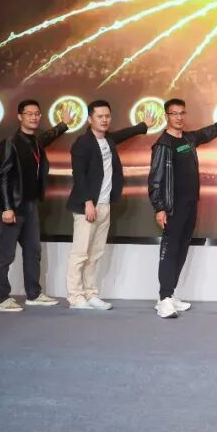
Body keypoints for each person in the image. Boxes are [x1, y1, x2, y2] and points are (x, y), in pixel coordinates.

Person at [148, 98, 217, 319]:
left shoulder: (188, 139)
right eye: (174, 113)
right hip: (173, 208)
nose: (179, 117)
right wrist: (159, 207)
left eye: (182, 113)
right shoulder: (163, 145)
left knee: (181, 250)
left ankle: (170, 294)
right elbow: (155, 179)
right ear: (166, 116)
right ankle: (163, 299)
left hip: (190, 205)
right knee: (170, 251)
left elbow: (206, 133)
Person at [65, 100, 154, 310]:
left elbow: (124, 134)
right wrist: (88, 202)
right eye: (100, 116)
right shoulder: (82, 143)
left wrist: (143, 126)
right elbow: (79, 175)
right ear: (90, 119)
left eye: (107, 116)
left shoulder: (108, 140)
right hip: (87, 206)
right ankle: (75, 297)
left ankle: (90, 293)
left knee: (95, 254)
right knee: (80, 254)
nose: (104, 120)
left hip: (104, 205)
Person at [0, 100, 69, 313]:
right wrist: (7, 207)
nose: (34, 117)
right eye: (29, 114)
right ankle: (1, 298)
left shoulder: (35, 141)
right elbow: (4, 177)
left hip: (31, 204)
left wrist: (63, 125)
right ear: (20, 116)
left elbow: (48, 136)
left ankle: (33, 294)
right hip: (14, 206)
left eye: (37, 114)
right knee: (6, 254)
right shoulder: (10, 143)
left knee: (33, 251)